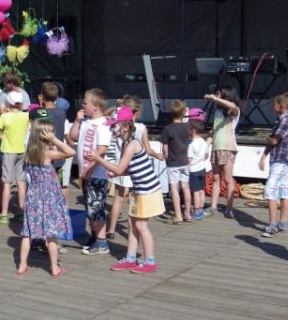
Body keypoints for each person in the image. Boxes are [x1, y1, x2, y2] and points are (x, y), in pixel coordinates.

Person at [90, 107, 165, 273]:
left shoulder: (132, 144)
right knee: (133, 224)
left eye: (114, 125)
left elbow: (119, 169)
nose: (111, 129)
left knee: (141, 226)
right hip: (139, 190)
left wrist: (98, 159)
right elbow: (128, 169)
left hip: (147, 191)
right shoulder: (126, 143)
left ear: (125, 127)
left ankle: (150, 262)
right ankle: (131, 258)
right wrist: (118, 172)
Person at [16, 112, 75, 278]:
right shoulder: (48, 154)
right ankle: (54, 267)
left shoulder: (29, 154)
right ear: (46, 136)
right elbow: (71, 152)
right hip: (49, 197)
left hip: (33, 195)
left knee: (28, 232)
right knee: (51, 234)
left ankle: (22, 265)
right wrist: (55, 140)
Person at [67, 88, 111, 255]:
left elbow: (102, 150)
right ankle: (95, 237)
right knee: (90, 208)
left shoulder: (103, 125)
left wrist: (89, 168)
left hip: (97, 172)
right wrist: (77, 121)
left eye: (85, 103)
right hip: (86, 173)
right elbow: (72, 137)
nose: (83, 105)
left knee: (96, 207)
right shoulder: (85, 121)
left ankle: (102, 243)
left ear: (95, 106)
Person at [258, 91, 288, 237]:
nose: (272, 106)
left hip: (282, 160)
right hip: (281, 160)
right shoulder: (280, 120)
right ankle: (283, 222)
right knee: (283, 190)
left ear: (281, 106)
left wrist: (266, 137)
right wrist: (263, 157)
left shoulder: (286, 120)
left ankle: (272, 224)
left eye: (274, 104)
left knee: (271, 189)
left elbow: (274, 140)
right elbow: (273, 142)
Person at [0, 91, 29, 224]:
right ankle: (21, 211)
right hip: (23, 150)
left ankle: (3, 214)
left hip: (9, 151)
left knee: (7, 182)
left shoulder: (5, 117)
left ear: (8, 102)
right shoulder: (26, 116)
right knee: (21, 181)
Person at [205, 85, 240, 218]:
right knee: (215, 178)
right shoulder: (218, 112)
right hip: (216, 148)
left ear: (226, 95)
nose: (216, 96)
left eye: (218, 94)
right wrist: (206, 146)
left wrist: (215, 99)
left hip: (228, 148)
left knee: (228, 178)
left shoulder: (233, 111)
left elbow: (234, 107)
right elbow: (214, 131)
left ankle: (229, 208)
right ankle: (213, 206)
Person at [159, 100, 193, 225]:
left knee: (174, 188)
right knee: (185, 187)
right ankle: (187, 213)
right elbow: (189, 140)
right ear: (183, 113)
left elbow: (165, 146)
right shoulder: (187, 127)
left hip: (173, 162)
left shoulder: (167, 129)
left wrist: (166, 157)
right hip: (185, 161)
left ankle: (178, 215)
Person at [187, 120, 210, 220]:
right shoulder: (204, 142)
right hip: (202, 169)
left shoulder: (191, 144)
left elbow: (189, 160)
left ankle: (196, 211)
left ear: (192, 130)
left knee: (195, 191)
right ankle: (201, 208)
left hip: (193, 170)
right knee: (201, 190)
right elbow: (206, 155)